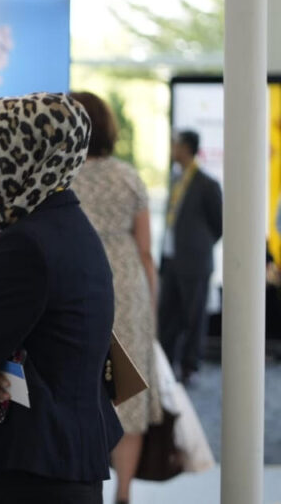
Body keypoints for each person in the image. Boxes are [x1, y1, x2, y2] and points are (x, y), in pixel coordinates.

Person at [0, 92, 122, 504]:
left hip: (32, 468)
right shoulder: (68, 224)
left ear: (3, 166)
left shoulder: (24, 244)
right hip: (65, 458)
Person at [69, 91, 162, 504]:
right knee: (128, 388)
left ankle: (83, 483)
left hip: (79, 282)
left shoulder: (63, 174)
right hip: (127, 287)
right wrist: (150, 307)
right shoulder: (128, 177)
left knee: (80, 381)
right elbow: (145, 250)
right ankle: (124, 492)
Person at [158, 129, 223, 385]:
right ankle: (166, 365)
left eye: (176, 145)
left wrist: (199, 247)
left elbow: (219, 224)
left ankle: (190, 366)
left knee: (194, 317)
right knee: (167, 316)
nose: (172, 149)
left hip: (195, 263)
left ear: (186, 148)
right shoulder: (176, 179)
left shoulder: (207, 184)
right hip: (171, 260)